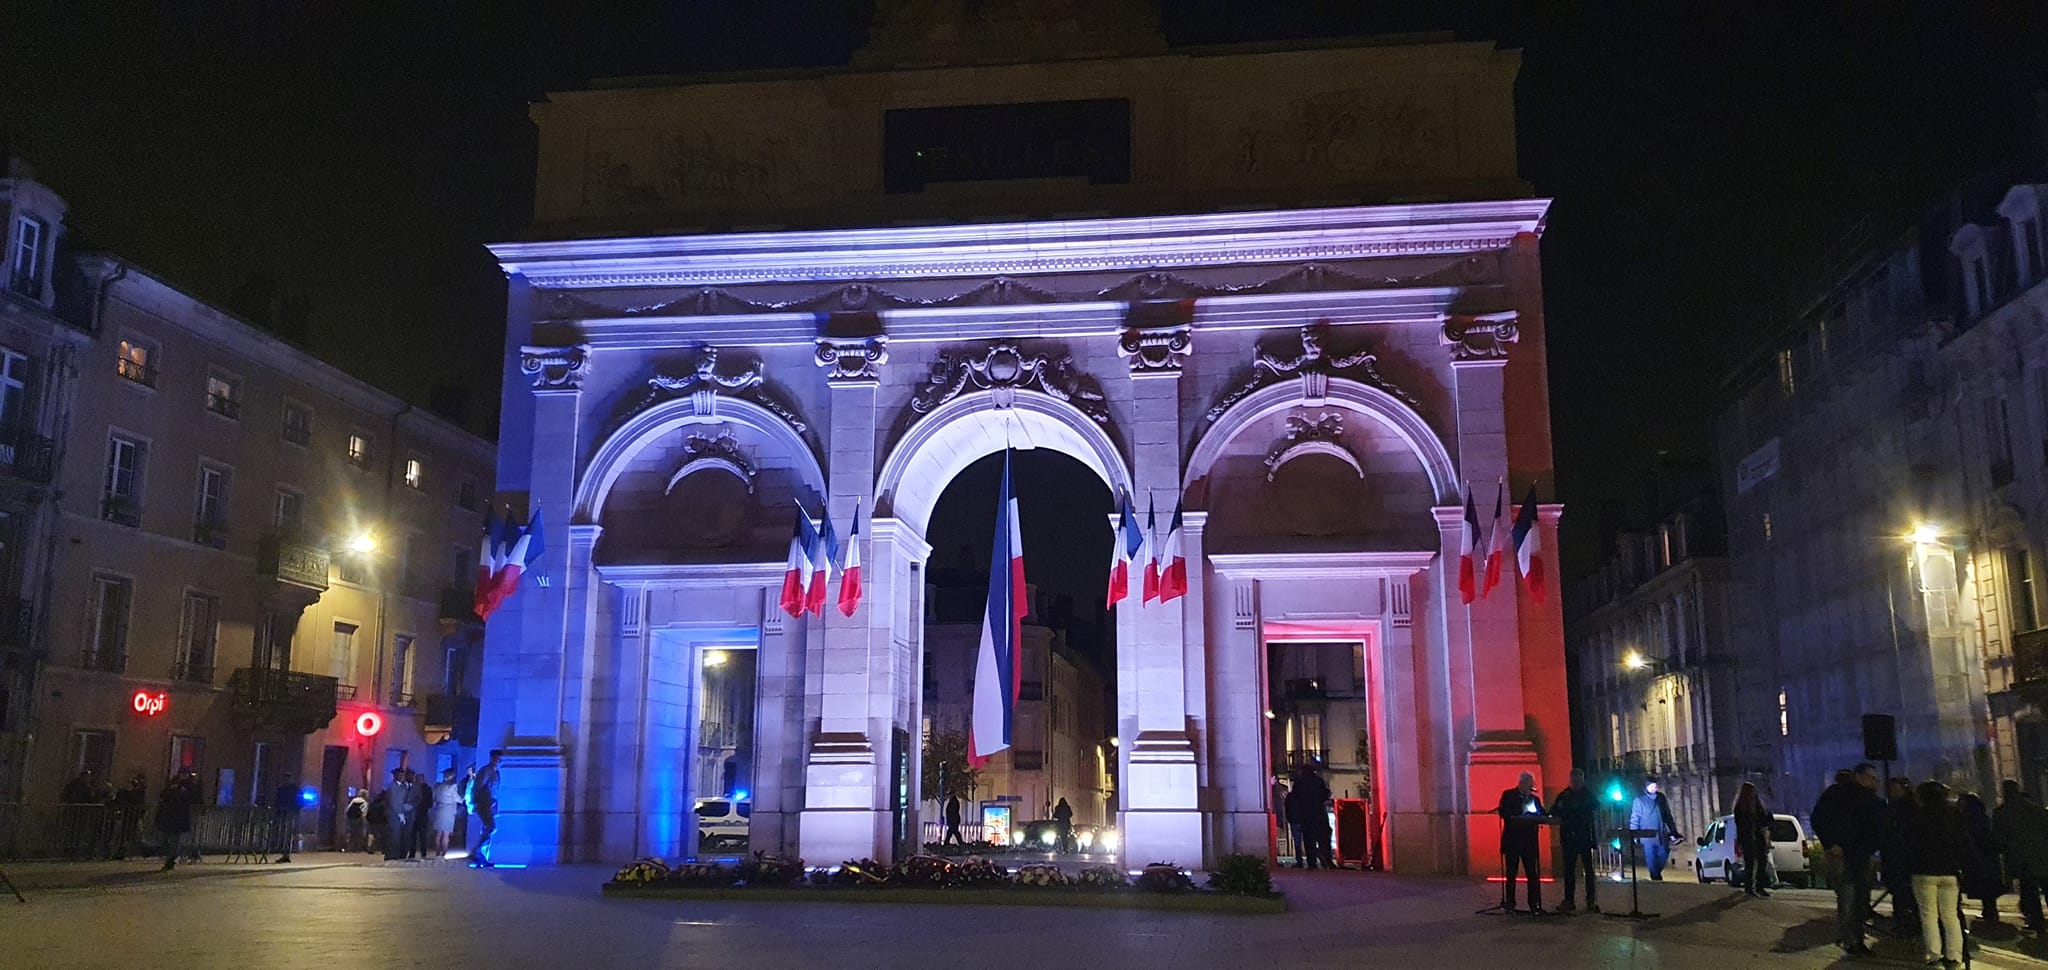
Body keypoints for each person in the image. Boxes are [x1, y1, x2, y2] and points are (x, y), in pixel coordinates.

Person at [1813, 764, 1888, 957]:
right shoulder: (1840, 795)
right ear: (1860, 776)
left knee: (1858, 898)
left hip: (1859, 853)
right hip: (1847, 854)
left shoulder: (1863, 798)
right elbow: (1819, 818)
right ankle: (1852, 940)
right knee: (1849, 897)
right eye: (1871, 778)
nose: (1874, 782)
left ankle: (1854, 937)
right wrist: (1830, 844)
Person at [1907, 781, 1968, 970]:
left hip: (1923, 871)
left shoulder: (1916, 816)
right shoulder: (1954, 815)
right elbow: (1963, 843)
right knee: (1950, 916)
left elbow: (1908, 843)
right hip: (1949, 871)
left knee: (1929, 915)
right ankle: (1955, 955)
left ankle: (1934, 955)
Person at [1994, 778, 2048, 935]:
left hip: (2020, 859)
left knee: (2029, 891)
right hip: (2042, 856)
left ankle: (2036, 922)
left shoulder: (2001, 813)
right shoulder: (2037, 810)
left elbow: (1998, 839)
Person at [1494, 770, 1548, 914]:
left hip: (1529, 842)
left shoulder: (1534, 799)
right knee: (1511, 873)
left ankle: (1534, 903)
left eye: (1531, 785)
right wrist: (1520, 815)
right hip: (1513, 841)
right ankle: (1510, 903)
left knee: (1532, 873)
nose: (1530, 788)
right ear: (1522, 783)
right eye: (1528, 785)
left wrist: (1539, 816)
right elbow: (1505, 812)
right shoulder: (1508, 795)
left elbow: (1542, 814)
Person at [1550, 768, 1600, 913]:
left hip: (1584, 837)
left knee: (1589, 871)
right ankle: (1569, 900)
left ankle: (1590, 900)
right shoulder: (1564, 795)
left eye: (1579, 780)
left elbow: (1595, 806)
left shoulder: (1587, 795)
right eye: (1574, 780)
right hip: (1569, 838)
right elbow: (1554, 810)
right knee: (1569, 871)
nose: (1576, 783)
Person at [1959, 791, 2006, 933]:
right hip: (1986, 860)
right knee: (1988, 890)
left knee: (1985, 888)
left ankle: (1990, 915)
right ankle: (1990, 913)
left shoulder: (1970, 821)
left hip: (1979, 860)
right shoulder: (1983, 819)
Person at [1884, 776, 1920, 935]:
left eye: (1896, 790)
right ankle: (1904, 921)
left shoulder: (1908, 809)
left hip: (1906, 857)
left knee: (1906, 893)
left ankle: (1908, 923)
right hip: (1898, 857)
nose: (1893, 793)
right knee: (1901, 893)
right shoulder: (1895, 808)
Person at [1627, 778, 1682, 880]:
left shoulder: (1661, 798)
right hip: (1647, 835)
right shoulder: (1639, 800)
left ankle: (1656, 873)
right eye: (1651, 786)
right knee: (1651, 857)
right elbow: (1635, 818)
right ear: (1646, 787)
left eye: (1655, 786)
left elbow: (1667, 815)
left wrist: (1673, 830)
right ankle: (1655, 876)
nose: (1654, 788)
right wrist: (1634, 834)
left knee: (1664, 853)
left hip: (1661, 833)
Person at [1732, 781, 1774, 897]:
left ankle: (1757, 886)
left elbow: (1764, 819)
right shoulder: (1742, 808)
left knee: (1761, 861)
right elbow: (1742, 825)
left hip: (1756, 836)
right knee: (1751, 862)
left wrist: (1767, 819)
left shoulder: (1755, 805)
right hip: (1748, 837)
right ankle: (1750, 886)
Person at [1292, 762, 1334, 870]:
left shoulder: (1299, 782)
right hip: (1319, 814)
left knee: (1309, 840)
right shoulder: (1318, 781)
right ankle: (1326, 860)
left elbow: (1295, 798)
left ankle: (1312, 863)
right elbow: (1325, 794)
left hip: (1306, 815)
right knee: (1323, 839)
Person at [154, 770, 196, 872]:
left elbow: (193, 798)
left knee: (175, 840)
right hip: (168, 815)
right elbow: (163, 794)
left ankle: (171, 860)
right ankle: (170, 856)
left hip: (179, 817)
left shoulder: (190, 785)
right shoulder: (172, 783)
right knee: (164, 838)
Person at [470, 749, 502, 868]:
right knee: (491, 827)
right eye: (496, 758)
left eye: (499, 759)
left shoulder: (496, 772)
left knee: (486, 830)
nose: (497, 761)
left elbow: (496, 790)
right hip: (484, 803)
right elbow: (477, 787)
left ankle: (482, 857)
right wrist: (474, 802)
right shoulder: (486, 771)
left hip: (491, 804)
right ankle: (476, 851)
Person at [111, 773, 148, 861]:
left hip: (133, 816)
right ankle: (121, 851)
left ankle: (143, 851)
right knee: (126, 835)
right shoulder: (130, 793)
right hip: (128, 816)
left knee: (134, 835)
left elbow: (139, 802)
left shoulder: (139, 793)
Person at [383, 768, 416, 862]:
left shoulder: (401, 786)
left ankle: (395, 856)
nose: (402, 777)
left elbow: (401, 801)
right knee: (394, 836)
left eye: (402, 775)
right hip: (394, 814)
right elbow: (394, 802)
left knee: (397, 837)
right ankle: (391, 856)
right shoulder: (393, 786)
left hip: (399, 814)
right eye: (400, 775)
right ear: (395, 776)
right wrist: (400, 813)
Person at [432, 769, 462, 858]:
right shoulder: (453, 786)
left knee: (438, 833)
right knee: (446, 834)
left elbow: (434, 797)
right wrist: (463, 797)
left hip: (439, 809)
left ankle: (437, 852)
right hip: (448, 811)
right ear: (452, 776)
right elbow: (458, 799)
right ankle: (444, 853)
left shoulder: (437, 786)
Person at [271, 774, 299, 863]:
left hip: (289, 814)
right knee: (283, 834)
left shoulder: (294, 789)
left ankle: (286, 854)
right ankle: (285, 853)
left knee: (287, 834)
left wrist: (295, 809)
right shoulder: (282, 789)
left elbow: (301, 801)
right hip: (283, 814)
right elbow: (276, 801)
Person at [410, 769, 434, 859]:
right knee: (415, 835)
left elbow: (430, 802)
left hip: (421, 814)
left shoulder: (426, 789)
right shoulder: (417, 788)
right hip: (418, 814)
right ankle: (416, 853)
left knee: (421, 835)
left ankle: (421, 853)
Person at [344, 788, 370, 853]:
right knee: (358, 834)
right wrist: (364, 821)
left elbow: (347, 809)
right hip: (358, 820)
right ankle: (357, 849)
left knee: (351, 834)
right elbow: (364, 813)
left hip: (351, 819)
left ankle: (349, 848)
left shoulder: (354, 800)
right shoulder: (364, 803)